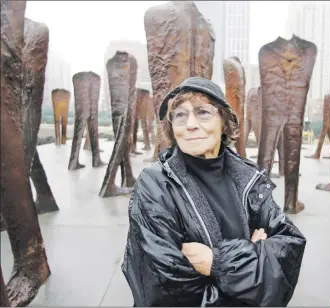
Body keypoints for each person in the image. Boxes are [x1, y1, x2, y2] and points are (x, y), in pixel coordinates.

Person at [122, 77, 306, 307]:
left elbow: (288, 253)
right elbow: (162, 292)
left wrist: (217, 262)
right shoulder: (155, 185)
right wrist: (255, 255)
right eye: (180, 115)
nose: (190, 124)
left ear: (223, 122)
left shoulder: (248, 179)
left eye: (202, 113)